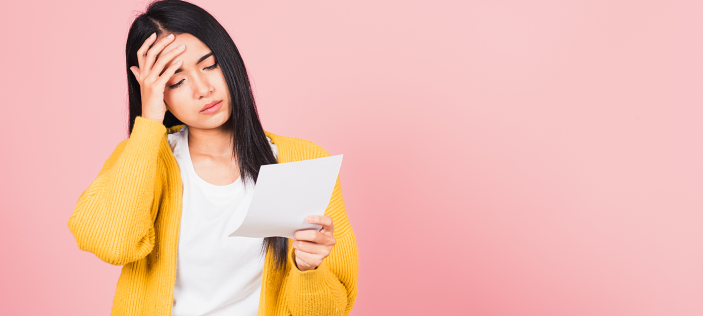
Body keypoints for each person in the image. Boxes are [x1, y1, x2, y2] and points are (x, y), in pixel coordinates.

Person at [66, 0, 358, 315]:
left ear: (230, 61)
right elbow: (113, 244)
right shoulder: (144, 160)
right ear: (155, 91)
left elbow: (332, 309)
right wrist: (149, 121)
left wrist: (308, 269)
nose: (203, 89)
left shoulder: (300, 162)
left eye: (210, 65)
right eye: (176, 80)